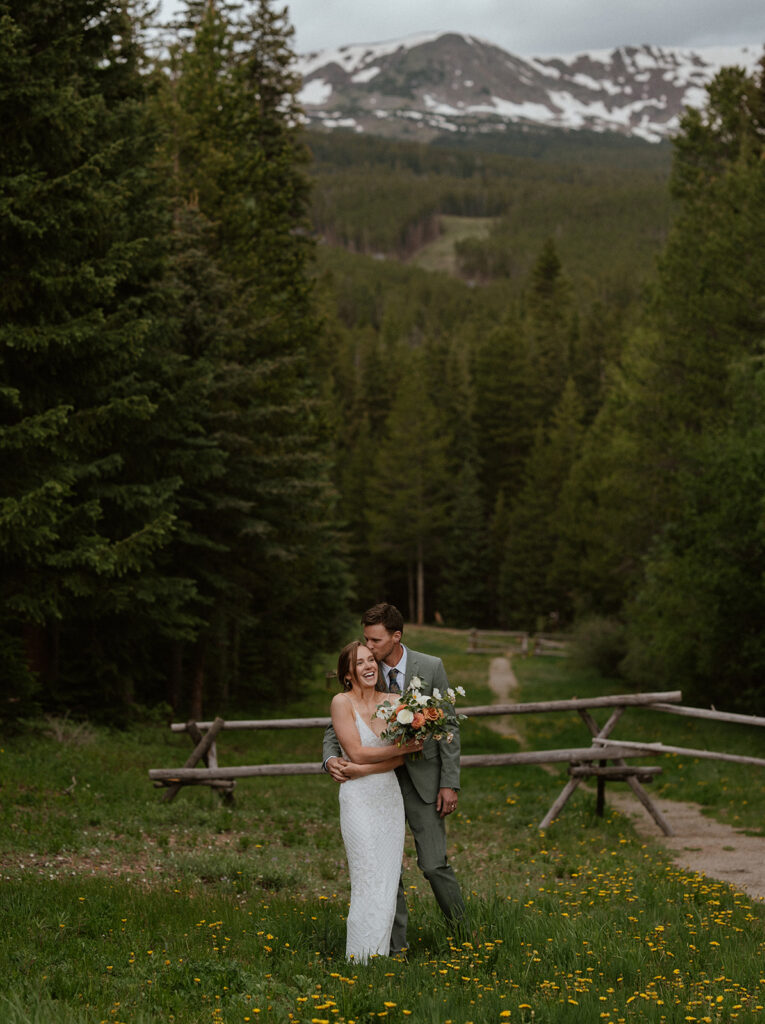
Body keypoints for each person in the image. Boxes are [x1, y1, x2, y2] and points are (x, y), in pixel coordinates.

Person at [323, 604, 466, 954]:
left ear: (396, 637)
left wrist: (450, 782)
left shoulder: (430, 667)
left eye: (375, 641)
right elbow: (336, 727)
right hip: (377, 784)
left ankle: (464, 935)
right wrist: (329, 760)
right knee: (388, 872)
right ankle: (393, 947)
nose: (368, 649)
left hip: (423, 782)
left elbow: (447, 725)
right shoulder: (362, 673)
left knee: (433, 864)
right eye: (366, 640)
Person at [330, 639, 423, 963]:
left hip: (387, 797)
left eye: (371, 660)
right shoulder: (341, 702)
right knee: (366, 873)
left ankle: (379, 956)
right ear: (348, 674)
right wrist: (403, 749)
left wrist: (363, 767)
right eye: (359, 663)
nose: (368, 666)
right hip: (358, 798)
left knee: (385, 878)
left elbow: (397, 763)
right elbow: (355, 751)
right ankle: (359, 957)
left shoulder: (395, 701)